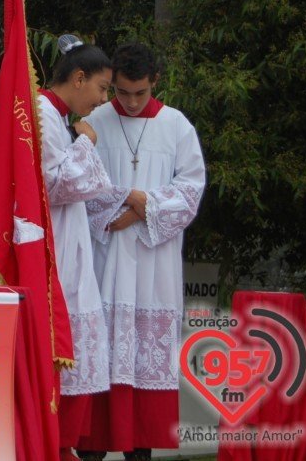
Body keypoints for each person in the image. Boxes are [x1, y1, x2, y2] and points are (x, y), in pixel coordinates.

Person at [78, 43, 205, 461]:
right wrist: (126, 204)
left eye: (140, 93)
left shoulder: (176, 126)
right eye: (122, 92)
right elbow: (79, 185)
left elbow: (191, 190)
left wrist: (138, 207)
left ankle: (140, 451)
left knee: (144, 370)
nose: (131, 102)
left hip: (154, 263)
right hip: (104, 259)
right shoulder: (94, 121)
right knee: (98, 367)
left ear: (155, 82)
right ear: (112, 82)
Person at [37, 35, 116, 461]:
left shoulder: (54, 114)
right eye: (102, 88)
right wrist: (86, 143)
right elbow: (55, 184)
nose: (103, 100)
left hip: (66, 236)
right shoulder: (41, 112)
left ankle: (63, 443)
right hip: (51, 243)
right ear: (79, 78)